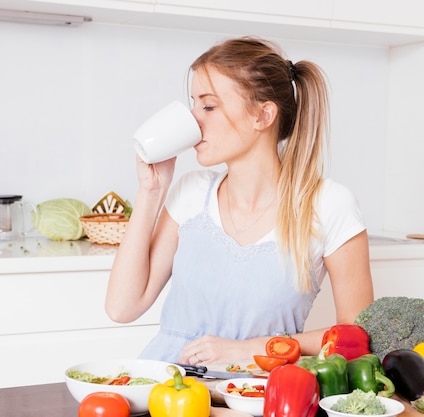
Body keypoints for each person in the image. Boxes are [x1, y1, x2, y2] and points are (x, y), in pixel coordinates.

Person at [105, 36, 373, 366]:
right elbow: (122, 307)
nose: (193, 120)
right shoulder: (190, 193)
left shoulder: (329, 205)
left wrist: (254, 348)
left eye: (208, 105)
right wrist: (151, 192)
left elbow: (357, 336)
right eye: (193, 104)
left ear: (263, 115)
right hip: (167, 389)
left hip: (258, 394)